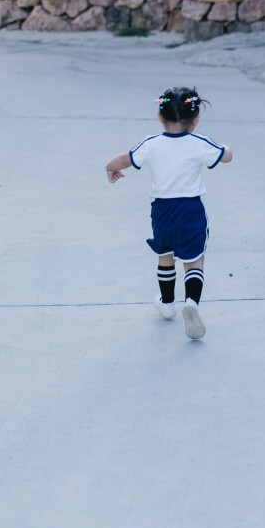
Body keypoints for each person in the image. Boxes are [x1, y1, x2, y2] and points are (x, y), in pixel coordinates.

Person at [106, 87, 232, 340]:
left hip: (161, 212)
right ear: (195, 118)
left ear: (160, 117)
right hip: (190, 210)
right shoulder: (199, 143)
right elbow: (226, 157)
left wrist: (110, 168)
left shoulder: (151, 144)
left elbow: (125, 159)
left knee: (165, 255)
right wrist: (225, 147)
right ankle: (192, 303)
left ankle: (166, 302)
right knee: (194, 260)